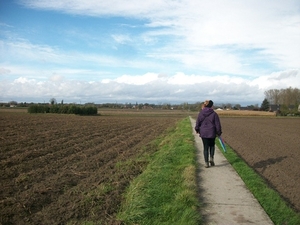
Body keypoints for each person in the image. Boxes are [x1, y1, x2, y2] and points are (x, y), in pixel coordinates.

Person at [195, 100, 222, 168]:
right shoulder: (214, 114)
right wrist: (219, 132)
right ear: (211, 105)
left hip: (203, 132)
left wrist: (197, 129)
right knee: (212, 146)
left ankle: (206, 163)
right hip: (212, 132)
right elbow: (217, 125)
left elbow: (198, 122)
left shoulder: (201, 113)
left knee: (205, 147)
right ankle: (211, 158)